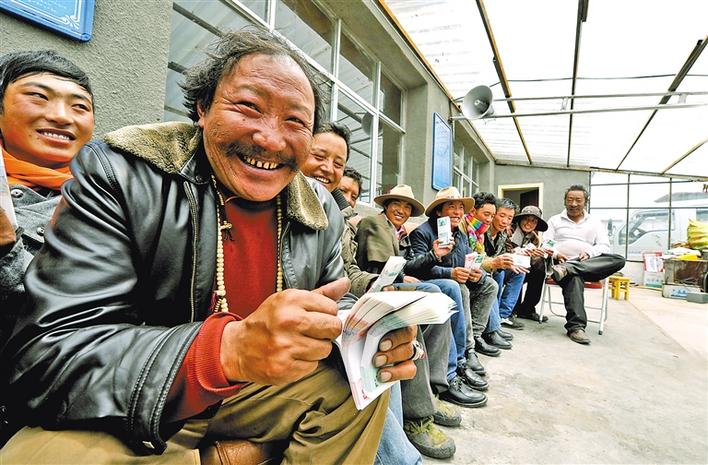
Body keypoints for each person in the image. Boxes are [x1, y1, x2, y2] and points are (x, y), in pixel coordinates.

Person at [1, 30, 419, 464]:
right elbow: (47, 356)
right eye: (248, 107)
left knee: (357, 390)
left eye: (296, 122)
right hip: (146, 407)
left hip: (256, 396)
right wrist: (225, 351)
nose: (270, 139)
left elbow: (336, 299)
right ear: (203, 108)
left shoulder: (318, 206)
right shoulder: (123, 173)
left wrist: (373, 333)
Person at [300, 123, 429, 463]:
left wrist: (372, 286)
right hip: (310, 319)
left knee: (395, 320)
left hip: (344, 304)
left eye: (338, 163)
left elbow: (346, 274)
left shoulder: (336, 217)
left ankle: (415, 419)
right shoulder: (363, 222)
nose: (328, 169)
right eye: (319, 156)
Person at [0, 50, 95, 444]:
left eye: (79, 106)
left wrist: (6, 250)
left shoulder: (101, 204)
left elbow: (76, 317)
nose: (60, 116)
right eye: (38, 97)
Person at [353, 183, 486, 459]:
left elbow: (414, 265)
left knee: (450, 293)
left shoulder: (411, 232)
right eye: (396, 204)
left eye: (406, 206)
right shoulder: (378, 224)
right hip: (372, 290)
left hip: (392, 283)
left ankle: (447, 375)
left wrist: (468, 270)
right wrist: (432, 263)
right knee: (435, 294)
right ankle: (431, 397)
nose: (402, 210)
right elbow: (383, 269)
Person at [407, 186, 499, 367]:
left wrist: (476, 273)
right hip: (434, 284)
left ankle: (475, 337)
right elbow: (415, 269)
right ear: (438, 211)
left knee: (489, 284)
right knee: (459, 288)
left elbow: (469, 258)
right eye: (452, 207)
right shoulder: (422, 232)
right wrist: (450, 273)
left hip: (455, 282)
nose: (458, 212)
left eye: (461, 208)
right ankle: (466, 350)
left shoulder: (460, 234)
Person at [544, 185, 626, 344]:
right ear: (565, 201)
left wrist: (589, 253)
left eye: (578, 200)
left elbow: (604, 245)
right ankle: (576, 328)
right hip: (561, 262)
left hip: (589, 265)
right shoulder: (555, 220)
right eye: (570, 200)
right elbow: (546, 243)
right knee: (574, 277)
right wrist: (556, 254)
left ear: (585, 202)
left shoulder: (594, 222)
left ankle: (569, 268)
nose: (573, 204)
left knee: (619, 259)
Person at [459, 192, 513, 351]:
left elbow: (480, 256)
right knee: (491, 278)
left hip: (472, 269)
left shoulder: (479, 230)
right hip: (460, 270)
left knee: (499, 273)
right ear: (473, 211)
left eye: (492, 215)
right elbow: (468, 256)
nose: (489, 219)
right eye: (486, 214)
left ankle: (489, 329)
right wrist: (493, 263)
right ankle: (487, 332)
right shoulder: (463, 227)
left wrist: (500, 261)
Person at [483, 197, 528, 332]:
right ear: (494, 214)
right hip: (484, 268)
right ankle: (493, 320)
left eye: (509, 218)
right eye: (502, 216)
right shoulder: (482, 230)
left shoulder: (503, 234)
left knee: (519, 271)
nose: (505, 221)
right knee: (500, 273)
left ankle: (503, 315)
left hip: (495, 267)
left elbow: (503, 253)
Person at [510, 205, 550, 322]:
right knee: (520, 269)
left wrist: (537, 255)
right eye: (526, 219)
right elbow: (506, 251)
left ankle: (528, 309)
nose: (529, 223)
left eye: (533, 221)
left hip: (525, 266)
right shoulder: (509, 230)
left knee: (540, 267)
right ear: (520, 219)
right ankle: (513, 309)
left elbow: (533, 260)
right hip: (509, 265)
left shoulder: (534, 237)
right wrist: (522, 253)